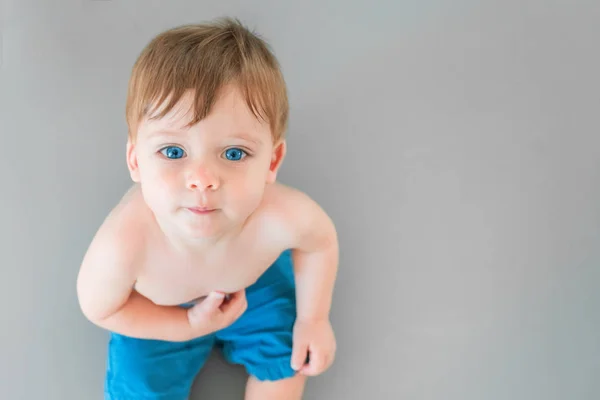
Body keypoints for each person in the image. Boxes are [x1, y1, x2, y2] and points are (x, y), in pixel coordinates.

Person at [76, 17, 339, 400]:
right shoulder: (126, 242)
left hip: (252, 289)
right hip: (161, 312)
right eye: (173, 151)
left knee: (289, 361)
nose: (202, 179)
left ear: (271, 161)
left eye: (234, 153)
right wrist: (186, 324)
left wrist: (313, 319)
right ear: (135, 160)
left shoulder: (281, 215)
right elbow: (100, 308)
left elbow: (320, 243)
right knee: (138, 389)